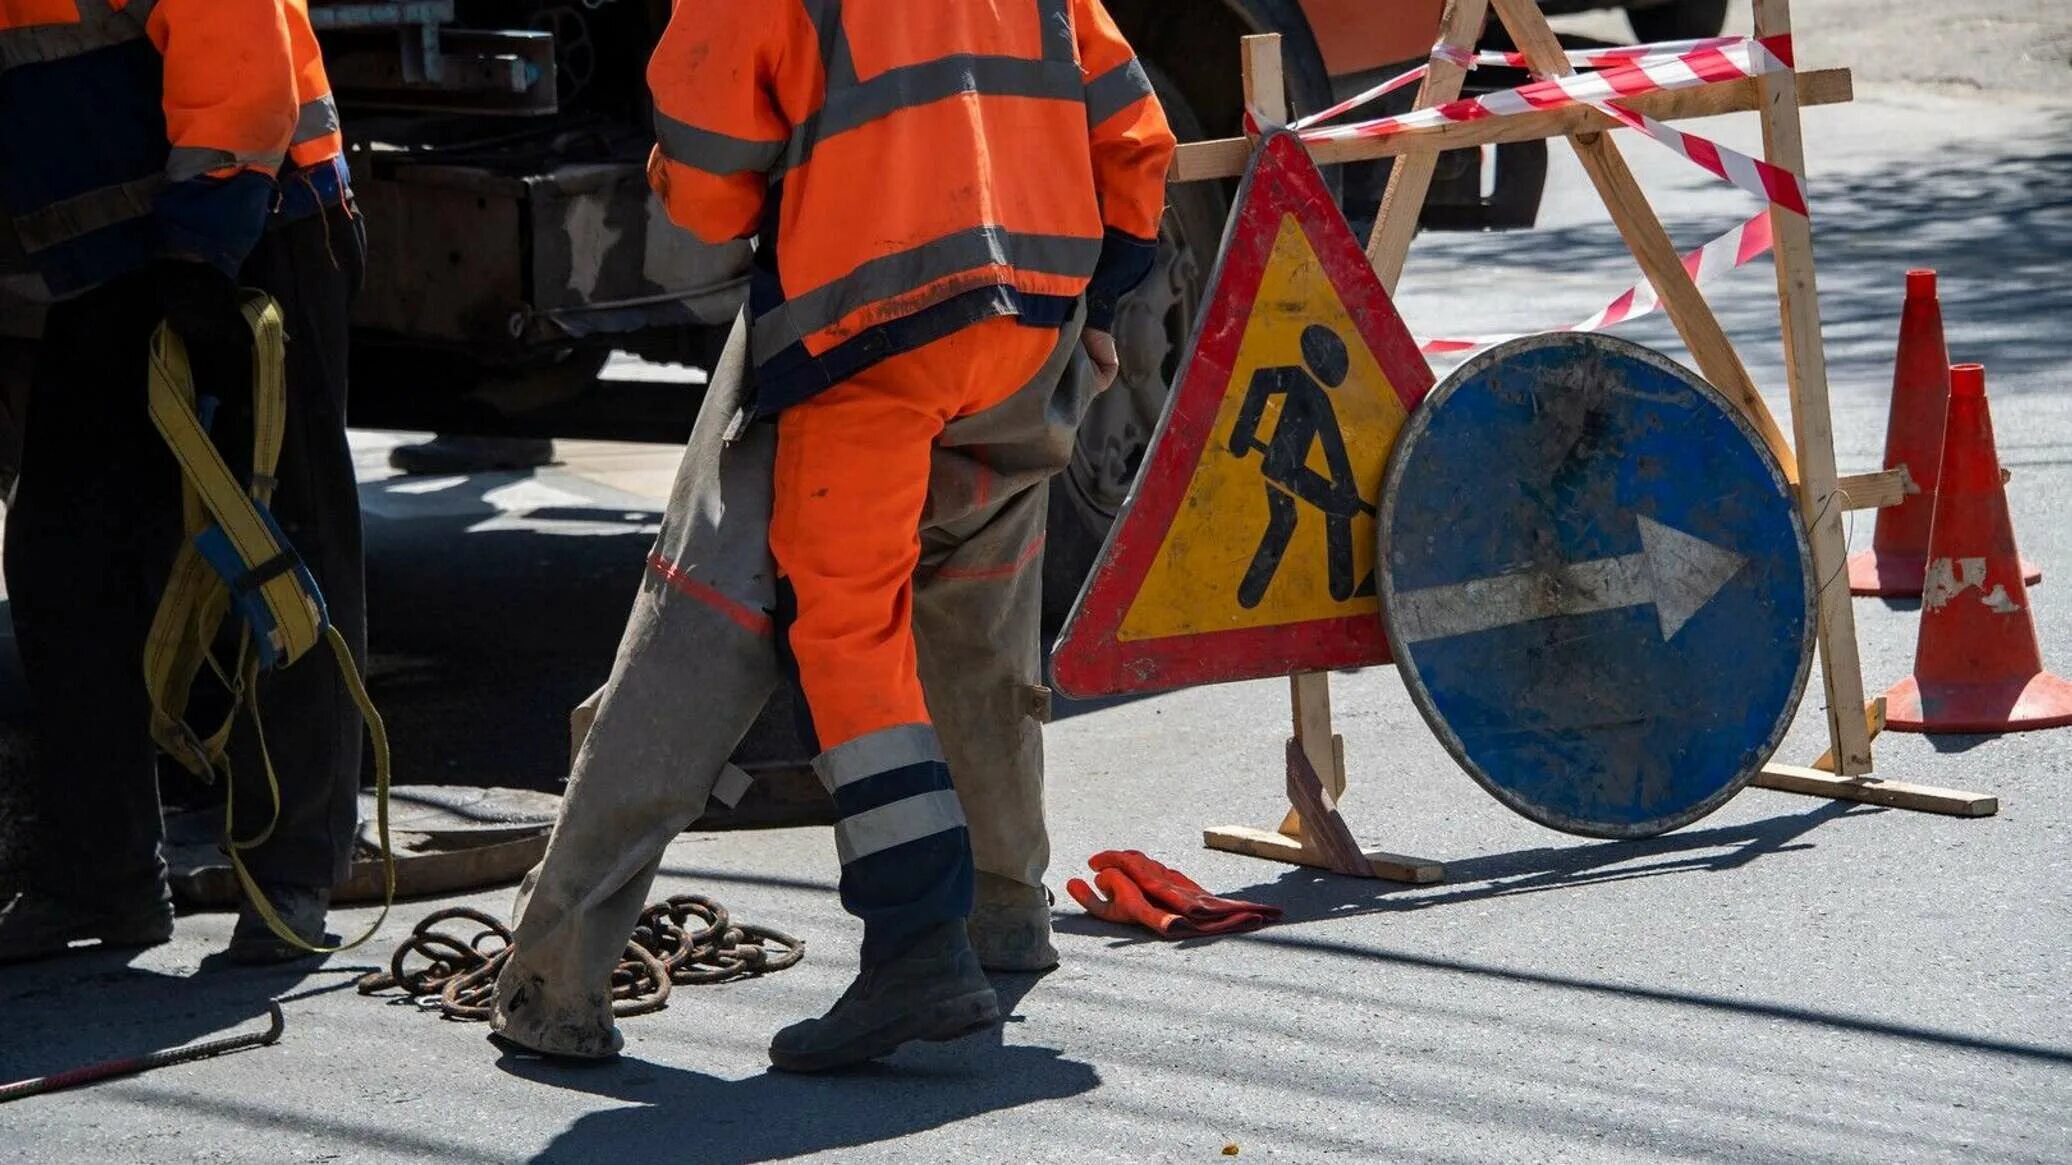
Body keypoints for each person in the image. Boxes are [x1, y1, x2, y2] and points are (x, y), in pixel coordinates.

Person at [489, 0, 1172, 1069]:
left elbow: (709, 200)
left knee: (834, 625)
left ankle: (909, 950)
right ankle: (1002, 910)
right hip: (1030, 319)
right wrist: (1100, 300)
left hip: (872, 330)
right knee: (979, 584)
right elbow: (1133, 138)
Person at [0, 0, 369, 964]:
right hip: (114, 257)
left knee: (281, 553)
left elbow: (236, 41)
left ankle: (291, 876)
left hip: (256, 219)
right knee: (62, 550)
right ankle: (102, 876)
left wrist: (205, 244)